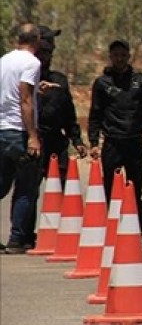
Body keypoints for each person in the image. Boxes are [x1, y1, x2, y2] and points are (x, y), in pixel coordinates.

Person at [20, 26, 87, 242]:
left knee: (66, 188)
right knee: (29, 190)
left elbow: (68, 112)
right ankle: (24, 235)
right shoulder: (26, 77)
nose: (47, 56)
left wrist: (76, 139)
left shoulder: (60, 80)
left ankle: (66, 234)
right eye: (44, 50)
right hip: (33, 140)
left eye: (50, 52)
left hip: (56, 141)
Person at [88, 40, 142, 225]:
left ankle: (136, 232)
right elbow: (95, 113)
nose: (120, 59)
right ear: (111, 57)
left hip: (134, 142)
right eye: (116, 56)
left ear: (128, 56)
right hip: (112, 143)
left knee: (135, 189)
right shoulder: (102, 83)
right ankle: (111, 227)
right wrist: (93, 142)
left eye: (123, 55)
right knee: (110, 188)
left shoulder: (138, 80)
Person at [0, 24, 43, 254]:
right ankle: (17, 239)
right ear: (36, 40)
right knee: (27, 186)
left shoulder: (4, 60)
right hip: (18, 130)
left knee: (2, 183)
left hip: (1, 129)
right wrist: (33, 136)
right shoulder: (32, 63)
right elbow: (25, 98)